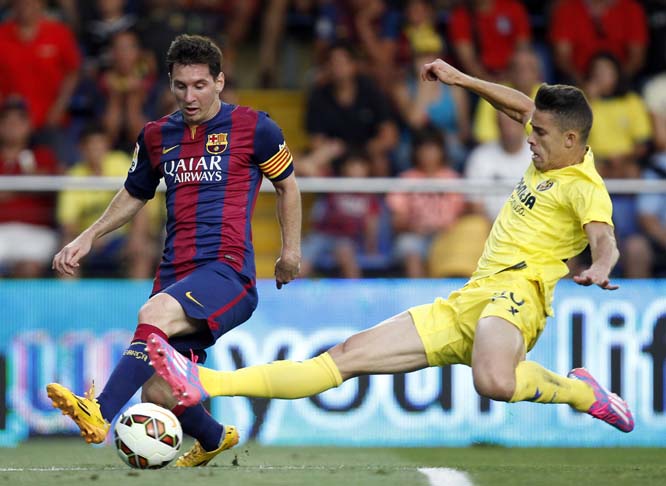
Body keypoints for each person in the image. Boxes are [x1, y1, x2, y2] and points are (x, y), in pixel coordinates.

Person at [147, 57, 635, 436]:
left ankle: (578, 392)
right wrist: (459, 79)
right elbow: (522, 107)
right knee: (345, 357)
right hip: (468, 299)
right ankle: (201, 382)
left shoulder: (584, 186)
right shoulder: (552, 145)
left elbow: (603, 238)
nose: (531, 138)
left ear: (572, 139)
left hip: (519, 295)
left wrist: (600, 266)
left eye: (542, 135)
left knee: (494, 382)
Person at [46, 34, 302, 466]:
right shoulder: (156, 136)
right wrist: (87, 236)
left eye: (200, 85)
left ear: (219, 81)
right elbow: (134, 193)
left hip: (227, 272)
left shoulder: (255, 127)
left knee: (153, 316)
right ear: (169, 82)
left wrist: (290, 252)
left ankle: (100, 412)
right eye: (181, 85)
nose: (190, 96)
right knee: (161, 390)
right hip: (174, 274)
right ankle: (216, 436)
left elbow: (287, 186)